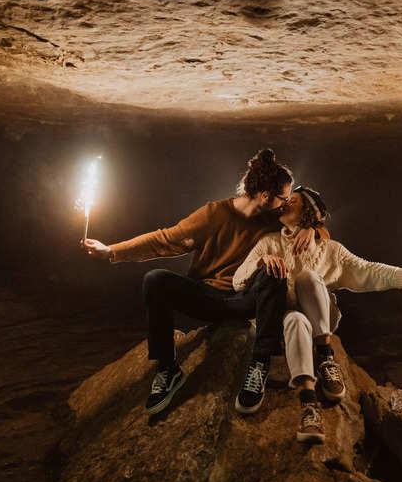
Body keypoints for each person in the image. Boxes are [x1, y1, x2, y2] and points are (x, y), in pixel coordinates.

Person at [82, 149, 325, 415]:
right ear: (265, 196)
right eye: (284, 198)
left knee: (274, 272)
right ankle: (168, 369)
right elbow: (164, 240)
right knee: (155, 279)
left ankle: (259, 364)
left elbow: (316, 218)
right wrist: (112, 252)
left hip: (245, 300)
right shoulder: (214, 214)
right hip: (206, 298)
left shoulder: (273, 219)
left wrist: (312, 230)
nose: (286, 204)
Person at [232, 186, 402, 443]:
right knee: (294, 318)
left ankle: (325, 353)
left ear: (308, 213)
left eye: (293, 200)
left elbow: (370, 271)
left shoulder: (331, 250)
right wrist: (261, 262)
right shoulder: (269, 242)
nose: (285, 203)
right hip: (282, 325)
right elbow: (238, 281)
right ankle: (309, 406)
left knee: (308, 278)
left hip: (320, 321)